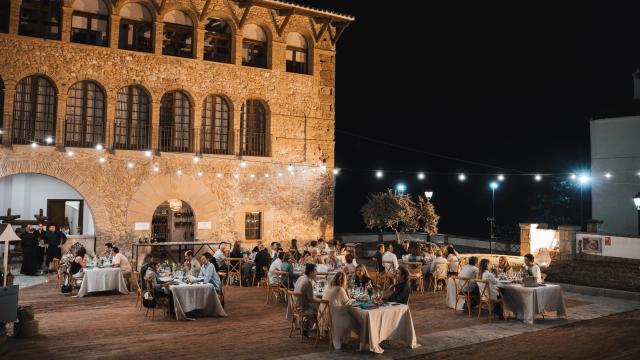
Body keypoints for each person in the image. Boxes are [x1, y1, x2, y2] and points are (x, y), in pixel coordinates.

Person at [321, 271, 355, 350]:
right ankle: (345, 340)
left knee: (347, 314)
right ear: (344, 280)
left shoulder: (328, 287)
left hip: (325, 315)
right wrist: (348, 293)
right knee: (353, 317)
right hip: (333, 317)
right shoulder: (340, 289)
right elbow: (348, 302)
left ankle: (343, 339)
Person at [294, 263, 319, 337]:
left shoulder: (301, 277)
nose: (316, 272)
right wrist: (321, 300)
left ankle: (307, 326)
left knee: (318, 306)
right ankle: (320, 329)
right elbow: (311, 299)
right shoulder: (307, 282)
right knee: (322, 308)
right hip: (303, 308)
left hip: (296, 305)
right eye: (315, 271)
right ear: (311, 272)